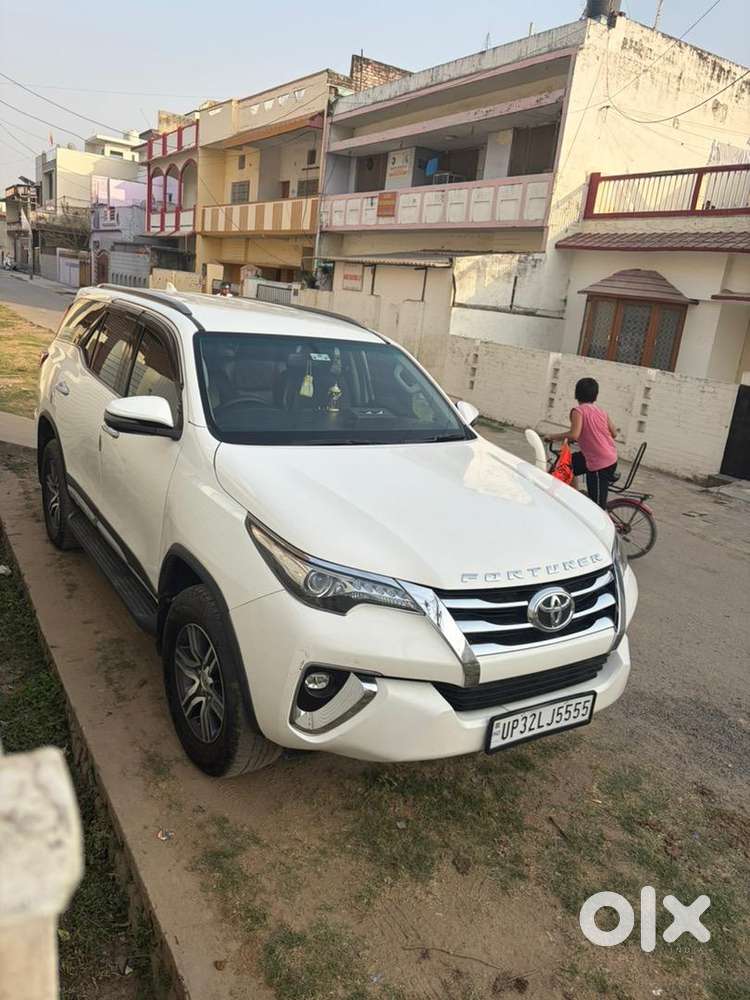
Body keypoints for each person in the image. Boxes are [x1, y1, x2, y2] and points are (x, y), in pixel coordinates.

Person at [545, 377, 618, 509]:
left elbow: (574, 434)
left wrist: (552, 437)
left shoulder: (578, 411)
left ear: (577, 394)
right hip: (609, 456)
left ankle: (602, 525)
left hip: (600, 463)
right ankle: (574, 498)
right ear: (595, 395)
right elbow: (614, 433)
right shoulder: (601, 411)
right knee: (568, 465)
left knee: (597, 508)